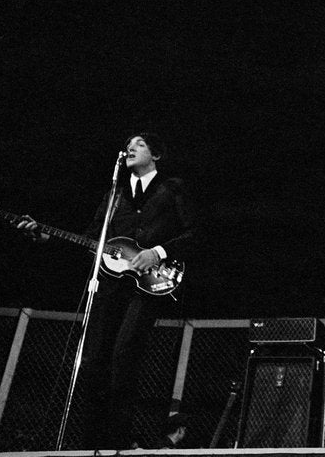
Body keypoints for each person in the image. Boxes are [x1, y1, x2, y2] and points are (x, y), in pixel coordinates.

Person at [17, 132, 201, 449]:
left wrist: (157, 253)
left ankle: (121, 439)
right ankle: (89, 440)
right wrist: (46, 236)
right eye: (128, 144)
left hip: (147, 284)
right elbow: (92, 239)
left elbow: (197, 232)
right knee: (94, 360)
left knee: (125, 355)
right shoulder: (115, 193)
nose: (130, 147)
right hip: (109, 285)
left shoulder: (172, 188)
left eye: (139, 144)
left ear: (156, 154)